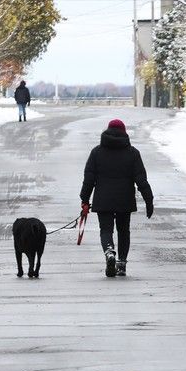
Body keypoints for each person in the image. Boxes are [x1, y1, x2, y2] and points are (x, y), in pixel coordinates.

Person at [79, 118, 154, 277]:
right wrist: (149, 200)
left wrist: (85, 199)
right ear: (124, 133)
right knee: (123, 231)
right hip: (124, 200)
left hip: (103, 199)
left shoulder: (97, 152)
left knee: (105, 229)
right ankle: (121, 264)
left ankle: (109, 252)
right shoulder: (132, 153)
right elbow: (141, 179)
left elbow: (89, 179)